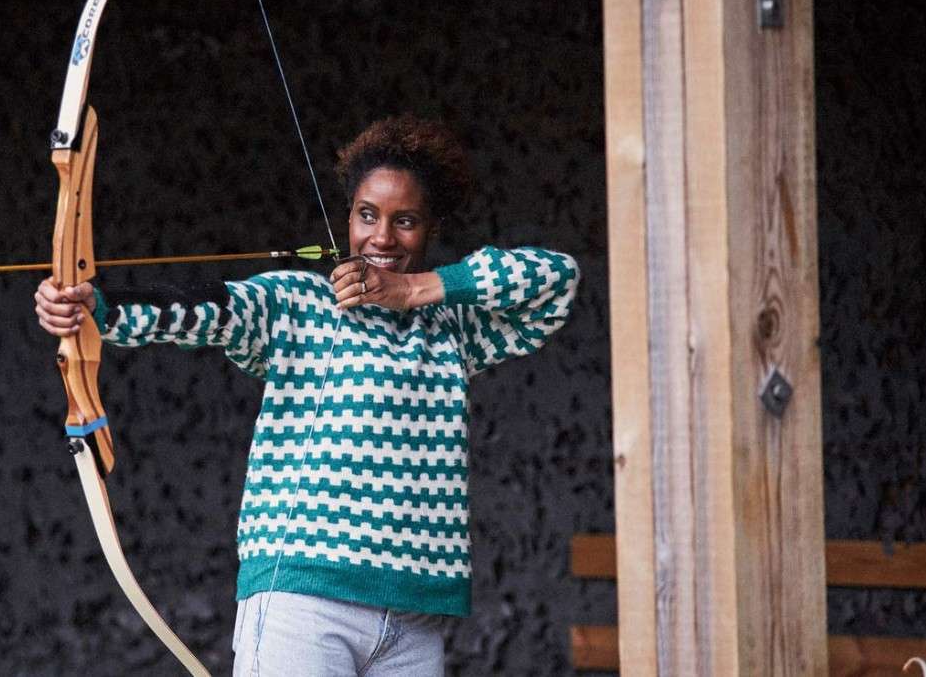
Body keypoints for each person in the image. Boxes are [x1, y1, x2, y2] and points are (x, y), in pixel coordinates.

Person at [34, 115, 579, 676]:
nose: (382, 238)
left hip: (416, 620)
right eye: (367, 215)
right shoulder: (297, 304)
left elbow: (557, 279)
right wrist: (92, 309)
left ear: (432, 229)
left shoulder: (453, 327)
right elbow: (203, 308)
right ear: (348, 218)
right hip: (304, 602)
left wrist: (415, 290)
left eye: (406, 221)